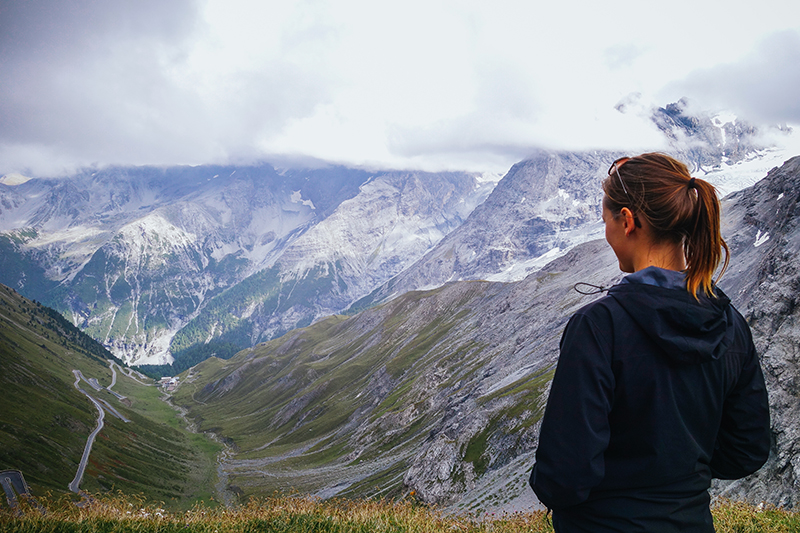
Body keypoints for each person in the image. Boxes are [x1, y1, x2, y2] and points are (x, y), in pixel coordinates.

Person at [529, 153, 771, 532]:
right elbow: (747, 450)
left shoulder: (599, 326)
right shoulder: (729, 323)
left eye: (606, 220)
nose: (606, 232)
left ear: (627, 221)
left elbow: (564, 474)